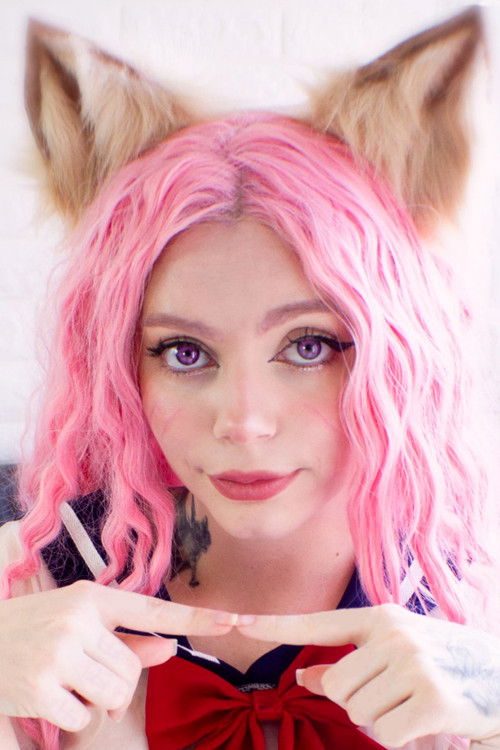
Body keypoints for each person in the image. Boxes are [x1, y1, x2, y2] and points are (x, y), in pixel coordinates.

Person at [0, 8, 499, 750]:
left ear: (395, 353)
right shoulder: (23, 586)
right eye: (184, 352)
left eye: (309, 346)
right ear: (120, 369)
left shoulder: (482, 593)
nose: (244, 421)